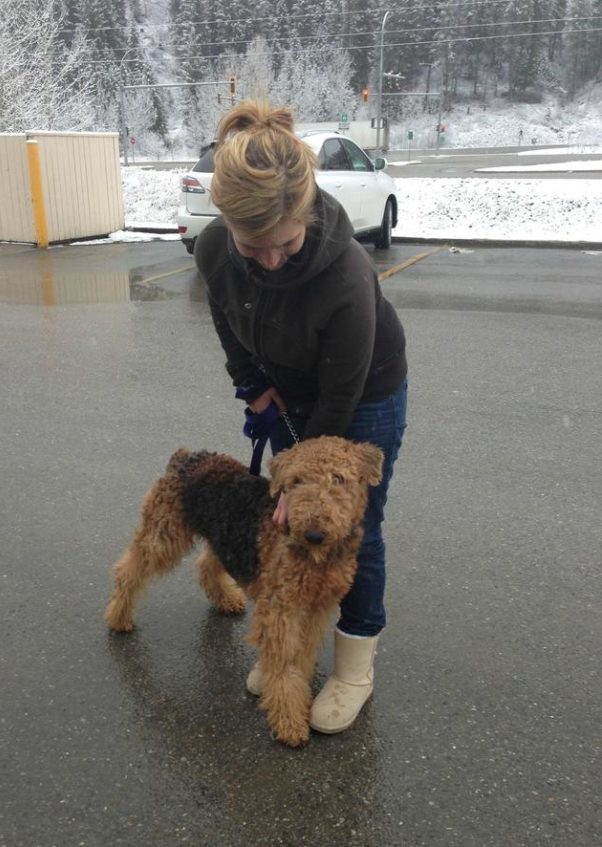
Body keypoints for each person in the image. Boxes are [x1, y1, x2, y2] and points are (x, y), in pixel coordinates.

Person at [194, 99, 408, 735]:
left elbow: (337, 408)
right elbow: (226, 319)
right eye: (250, 246)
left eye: (284, 244)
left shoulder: (343, 272)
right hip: (285, 379)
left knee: (345, 532)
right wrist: (252, 387)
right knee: (284, 536)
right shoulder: (212, 249)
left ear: (306, 210)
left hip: (360, 392)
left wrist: (300, 482)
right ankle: (285, 650)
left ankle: (352, 667)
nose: (270, 262)